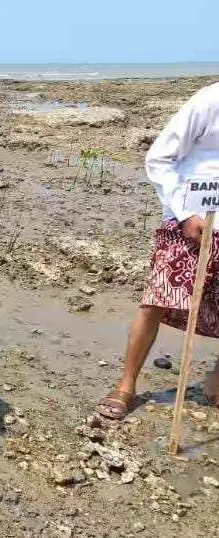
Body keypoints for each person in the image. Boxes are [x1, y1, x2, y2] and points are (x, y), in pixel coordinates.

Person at [98, 82, 219, 420]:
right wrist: (184, 214)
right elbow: (159, 158)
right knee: (155, 301)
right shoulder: (209, 100)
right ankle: (126, 385)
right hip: (191, 221)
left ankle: (217, 381)